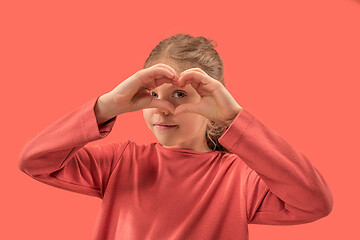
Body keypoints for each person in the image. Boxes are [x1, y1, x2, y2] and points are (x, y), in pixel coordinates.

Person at [18, 33, 333, 240]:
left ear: (213, 101)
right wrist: (107, 105)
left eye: (180, 94)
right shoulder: (119, 162)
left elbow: (314, 202)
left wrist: (234, 119)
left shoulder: (239, 178)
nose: (162, 109)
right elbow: (35, 161)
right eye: (152, 94)